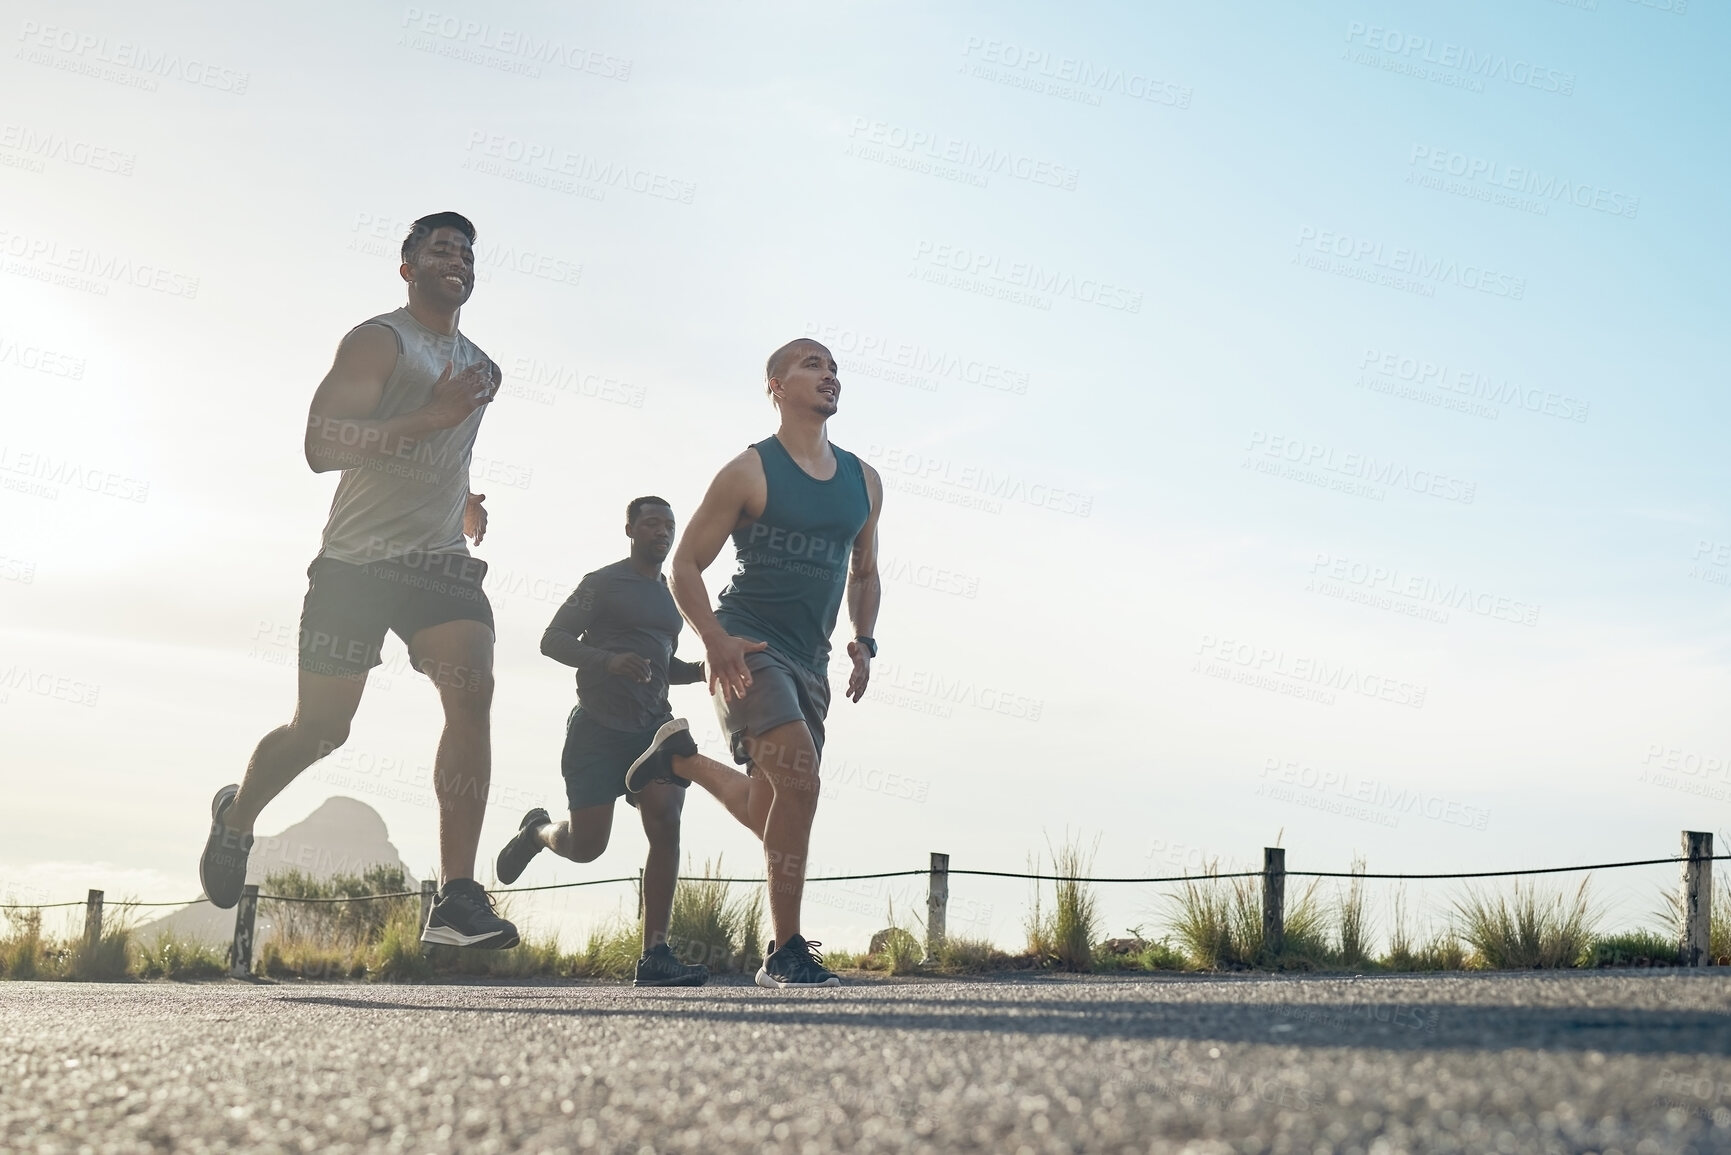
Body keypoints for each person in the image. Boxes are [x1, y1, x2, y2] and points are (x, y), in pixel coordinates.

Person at [198, 211, 518, 949]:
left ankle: (458, 898)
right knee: (322, 729)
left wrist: (462, 497)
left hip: (438, 559)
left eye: (466, 251)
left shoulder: (482, 367)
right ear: (407, 268)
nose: (457, 258)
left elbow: (446, 446)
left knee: (472, 686)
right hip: (354, 562)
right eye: (440, 248)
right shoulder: (378, 340)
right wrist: (431, 416)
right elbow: (321, 445)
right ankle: (236, 816)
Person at [661, 338, 884, 988]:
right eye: (812, 364)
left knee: (775, 803)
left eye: (834, 368)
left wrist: (863, 640)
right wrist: (712, 637)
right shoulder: (748, 471)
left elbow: (865, 572)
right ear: (776, 385)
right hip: (747, 646)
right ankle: (784, 948)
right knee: (802, 780)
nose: (829, 375)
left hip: (811, 665)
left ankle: (680, 761)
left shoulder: (862, 480)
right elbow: (684, 564)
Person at [492, 496, 717, 986]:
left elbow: (664, 667)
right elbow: (552, 639)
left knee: (666, 819)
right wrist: (607, 661)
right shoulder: (601, 583)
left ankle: (655, 955)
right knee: (586, 847)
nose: (662, 532)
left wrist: (703, 670)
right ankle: (537, 831)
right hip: (596, 728)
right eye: (652, 523)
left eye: (669, 525)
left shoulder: (674, 592)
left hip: (653, 730)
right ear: (630, 529)